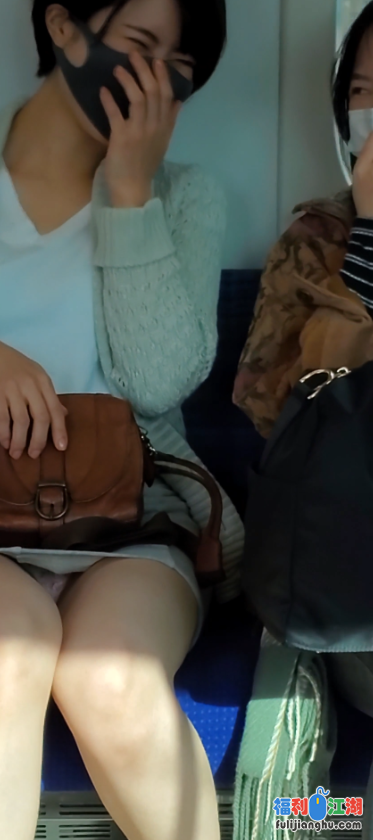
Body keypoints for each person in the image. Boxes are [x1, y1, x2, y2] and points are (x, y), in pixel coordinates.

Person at [0, 2, 245, 839]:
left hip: (132, 525)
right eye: (137, 46)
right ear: (63, 27)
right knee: (1, 653)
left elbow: (159, 383)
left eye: (178, 68)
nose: (153, 81)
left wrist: (130, 195)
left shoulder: (185, 198)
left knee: (110, 678)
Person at [233, 4, 373, 836]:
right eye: (361, 91)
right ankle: (320, 816)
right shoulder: (314, 238)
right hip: (347, 566)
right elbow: (269, 413)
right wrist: (370, 240)